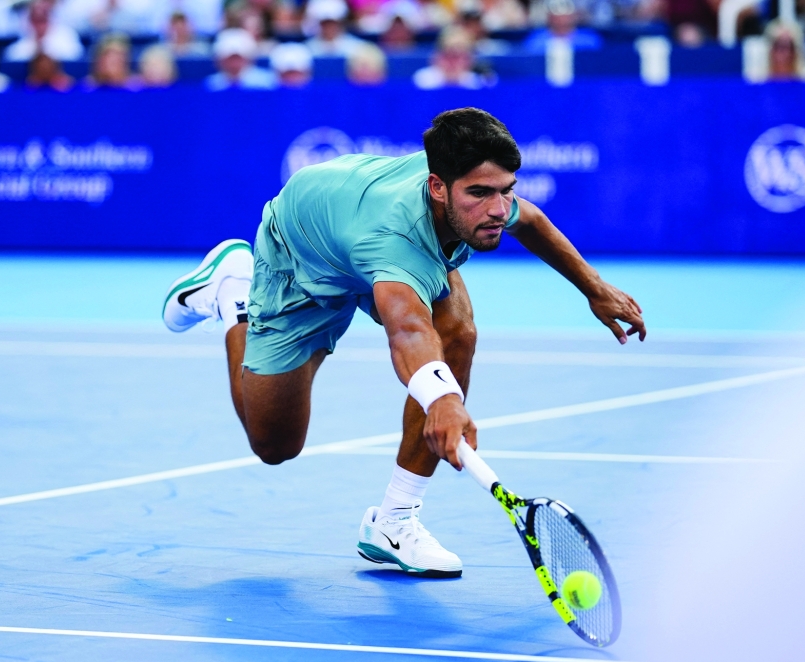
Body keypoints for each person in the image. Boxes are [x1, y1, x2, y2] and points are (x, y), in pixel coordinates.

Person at [161, 108, 646, 578]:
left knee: (458, 333)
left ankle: (393, 522)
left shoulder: (472, 188)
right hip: (303, 256)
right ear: (438, 188)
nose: (498, 209)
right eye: (480, 194)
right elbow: (409, 329)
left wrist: (594, 288)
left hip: (357, 221)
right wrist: (444, 399)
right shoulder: (394, 241)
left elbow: (530, 220)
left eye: (505, 191)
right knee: (274, 445)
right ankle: (233, 293)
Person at [413, 26, 493, 89]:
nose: (453, 62)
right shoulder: (423, 80)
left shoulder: (477, 83)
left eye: (459, 56)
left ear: (469, 59)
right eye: (449, 55)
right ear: (438, 56)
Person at [3, 0, 83, 62]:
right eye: (35, 20)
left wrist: (45, 47)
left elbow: (76, 55)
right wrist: (35, 47)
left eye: (42, 20)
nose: (39, 26)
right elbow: (11, 57)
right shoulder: (23, 35)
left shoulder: (67, 34)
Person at [205, 27, 276, 90]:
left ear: (248, 58)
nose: (234, 63)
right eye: (230, 58)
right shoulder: (212, 84)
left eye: (238, 58)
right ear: (220, 60)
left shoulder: (266, 83)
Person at [523, 0, 602, 53]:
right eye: (557, 15)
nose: (561, 19)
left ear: (573, 15)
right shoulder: (536, 41)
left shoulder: (589, 41)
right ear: (549, 17)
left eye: (565, 15)